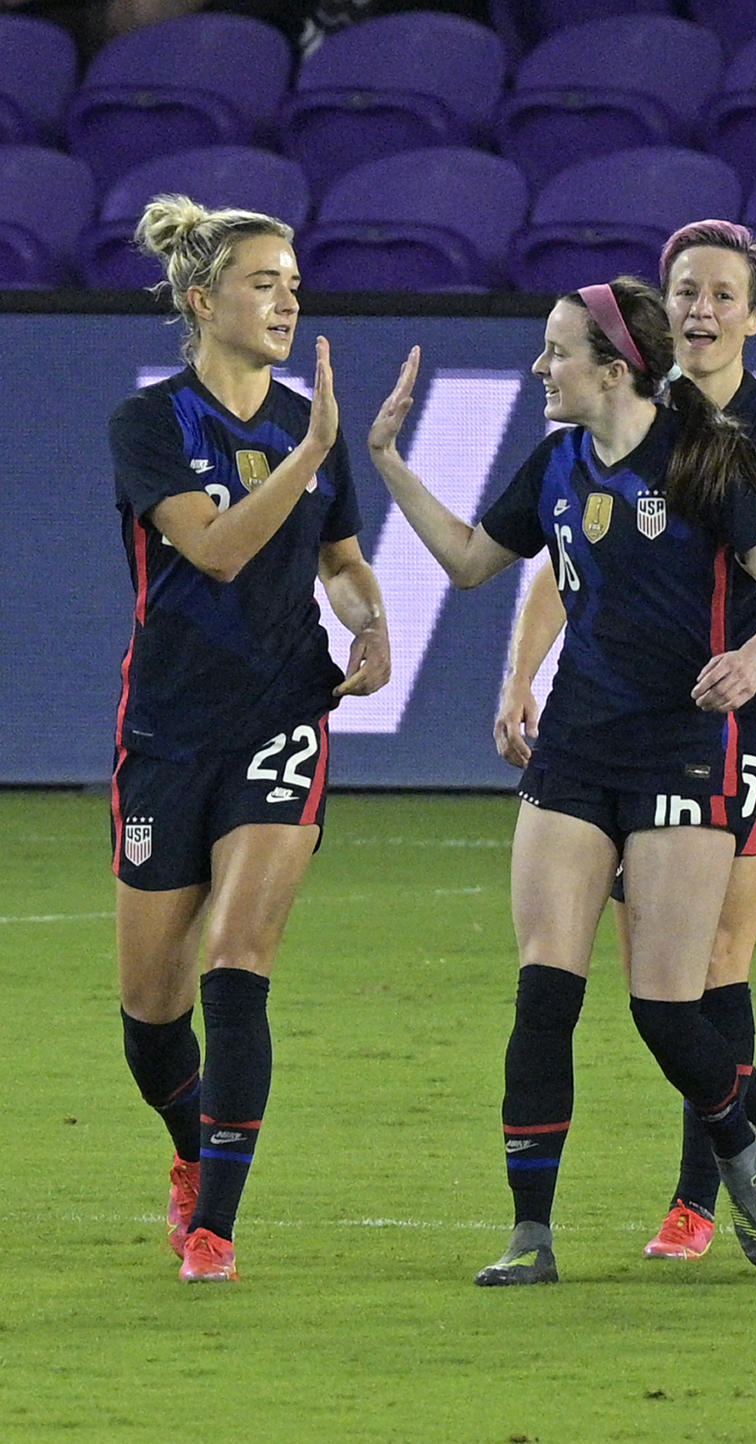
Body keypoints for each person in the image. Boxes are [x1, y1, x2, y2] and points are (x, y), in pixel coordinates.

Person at [367, 275, 756, 1282]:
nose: (541, 368)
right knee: (544, 993)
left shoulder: (702, 463)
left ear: (613, 370)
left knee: (665, 1009)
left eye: (556, 351)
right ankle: (531, 1236)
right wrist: (390, 464)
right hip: (574, 751)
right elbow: (472, 561)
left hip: (680, 751)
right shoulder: (558, 461)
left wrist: (751, 661)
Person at [494, 220, 756, 1263]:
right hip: (634, 719)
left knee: (711, 957)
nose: (701, 309)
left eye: (724, 294)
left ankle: (701, 1193)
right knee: (655, 974)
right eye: (685, 290)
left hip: (751, 712)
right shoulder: (624, 419)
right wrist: (523, 673)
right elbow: (562, 557)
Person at [109, 194, 390, 1283]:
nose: (287, 300)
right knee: (149, 1016)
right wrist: (308, 450)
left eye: (294, 283)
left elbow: (342, 560)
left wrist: (370, 620)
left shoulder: (304, 421)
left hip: (283, 714)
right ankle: (193, 1150)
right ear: (201, 299)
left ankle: (215, 1229)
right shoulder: (152, 425)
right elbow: (219, 549)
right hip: (169, 731)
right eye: (264, 282)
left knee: (237, 962)